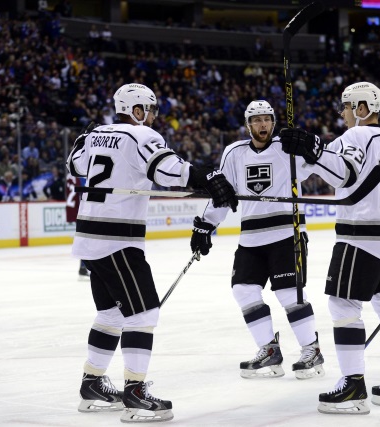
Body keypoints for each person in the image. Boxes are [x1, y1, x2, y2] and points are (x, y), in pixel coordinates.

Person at [67, 83, 238, 423]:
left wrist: (82, 139)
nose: (153, 116)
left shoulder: (94, 135)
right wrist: (208, 176)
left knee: (113, 315)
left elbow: (74, 166)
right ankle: (134, 393)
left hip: (89, 239)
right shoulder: (140, 136)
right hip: (117, 241)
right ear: (137, 109)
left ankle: (92, 384)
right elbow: (167, 170)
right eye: (151, 109)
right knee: (143, 314)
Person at [279, 82, 380, 414]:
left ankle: (353, 386)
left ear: (361, 108)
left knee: (343, 306)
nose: (343, 114)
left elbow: (344, 175)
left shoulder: (354, 137)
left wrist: (315, 152)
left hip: (362, 235)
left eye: (346, 108)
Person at [190, 100, 335, 380]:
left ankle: (311, 349)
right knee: (243, 290)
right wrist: (205, 225)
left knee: (288, 294)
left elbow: (323, 163)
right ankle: (269, 350)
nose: (263, 125)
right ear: (248, 125)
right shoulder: (234, 153)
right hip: (251, 238)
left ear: (274, 121)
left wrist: (312, 144)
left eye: (267, 119)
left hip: (286, 234)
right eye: (256, 120)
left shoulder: (287, 148)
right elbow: (224, 195)